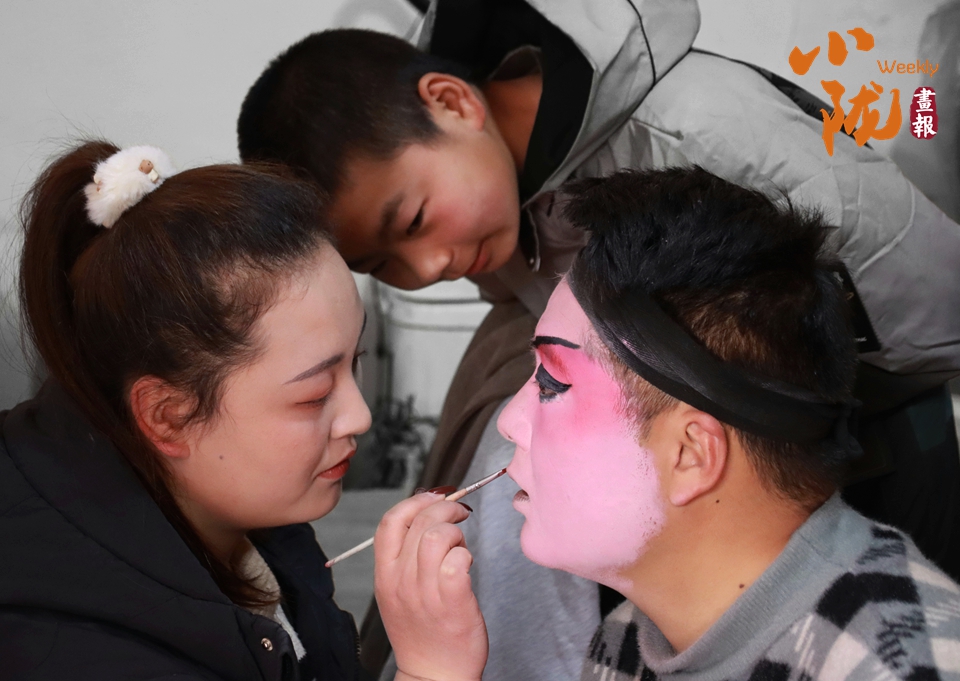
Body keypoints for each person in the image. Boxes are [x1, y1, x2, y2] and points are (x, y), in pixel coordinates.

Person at [236, 3, 960, 677]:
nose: (427, 269)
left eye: (414, 221)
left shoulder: (705, 137)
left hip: (876, 420)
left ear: (451, 103)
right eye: (383, 265)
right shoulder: (623, 646)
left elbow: (929, 298)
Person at [374, 167, 960, 681]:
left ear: (692, 454)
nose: (509, 420)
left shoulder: (895, 663)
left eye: (552, 384)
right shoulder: (631, 642)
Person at [0, 141, 380, 679]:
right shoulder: (61, 643)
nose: (360, 417)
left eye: (355, 361)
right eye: (315, 395)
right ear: (169, 416)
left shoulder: (235, 503)